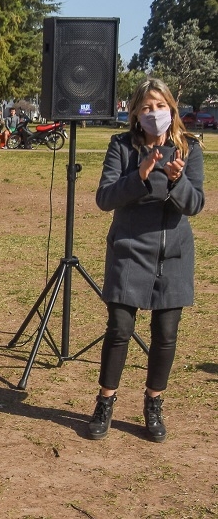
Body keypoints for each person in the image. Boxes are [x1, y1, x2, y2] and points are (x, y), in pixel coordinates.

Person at [87, 78, 204, 443]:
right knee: (120, 328)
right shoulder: (121, 146)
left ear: (172, 108)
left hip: (173, 255)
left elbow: (195, 204)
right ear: (136, 112)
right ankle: (105, 402)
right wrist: (138, 175)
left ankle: (154, 403)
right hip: (129, 250)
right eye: (146, 107)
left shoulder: (190, 147)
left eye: (160, 106)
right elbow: (104, 198)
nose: (154, 113)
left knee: (165, 335)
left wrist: (176, 181)